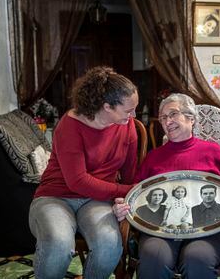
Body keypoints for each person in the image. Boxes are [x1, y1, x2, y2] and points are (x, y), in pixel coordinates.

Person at [113, 93, 220, 279]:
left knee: (197, 259)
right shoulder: (154, 157)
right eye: (163, 117)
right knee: (154, 257)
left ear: (191, 118)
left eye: (173, 114)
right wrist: (123, 205)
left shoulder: (213, 151)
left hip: (209, 229)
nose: (167, 121)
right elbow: (137, 192)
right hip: (160, 230)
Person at [28, 66, 139, 279]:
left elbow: (129, 173)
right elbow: (78, 182)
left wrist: (124, 198)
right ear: (107, 106)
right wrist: (127, 189)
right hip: (55, 197)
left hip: (97, 200)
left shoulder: (127, 125)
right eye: (128, 110)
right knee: (59, 243)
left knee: (109, 244)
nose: (133, 115)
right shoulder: (69, 126)